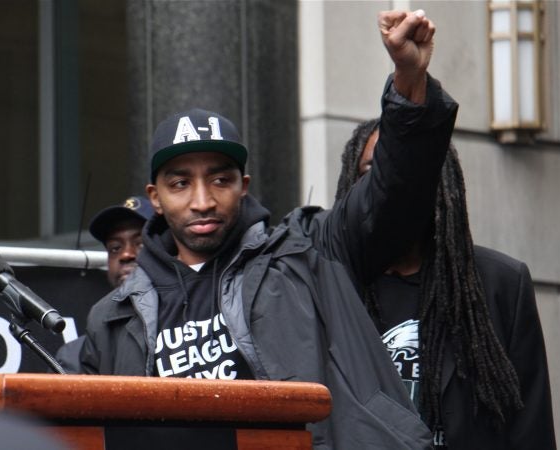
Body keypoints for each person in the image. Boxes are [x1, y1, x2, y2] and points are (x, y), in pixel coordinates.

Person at [81, 10, 458, 449]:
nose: (203, 200)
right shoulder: (112, 319)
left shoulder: (308, 254)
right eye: (181, 183)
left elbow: (392, 193)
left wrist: (407, 82)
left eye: (220, 180)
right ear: (156, 197)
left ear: (243, 187)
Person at [335, 119, 557, 449]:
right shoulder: (331, 288)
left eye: (410, 170)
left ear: (440, 184)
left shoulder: (501, 286)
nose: (390, 187)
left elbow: (531, 434)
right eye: (374, 173)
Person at [55, 196, 154, 373]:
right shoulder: (73, 357)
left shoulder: (182, 331)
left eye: (140, 244)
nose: (126, 254)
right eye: (115, 248)